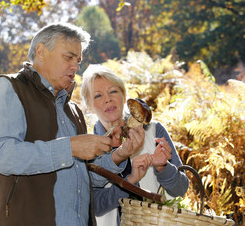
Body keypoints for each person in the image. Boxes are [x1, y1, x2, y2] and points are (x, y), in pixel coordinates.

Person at [0, 23, 145, 226]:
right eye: (68, 57)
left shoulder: (72, 110)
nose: (76, 67)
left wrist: (120, 154)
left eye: (78, 60)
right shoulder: (9, 88)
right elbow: (3, 156)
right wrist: (70, 147)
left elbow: (83, 179)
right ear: (41, 51)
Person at [81, 64, 190, 226]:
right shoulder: (88, 147)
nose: (107, 99)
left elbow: (180, 190)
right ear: (89, 106)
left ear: (124, 97)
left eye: (113, 91)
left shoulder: (154, 132)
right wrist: (129, 183)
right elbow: (94, 206)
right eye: (98, 96)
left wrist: (163, 168)